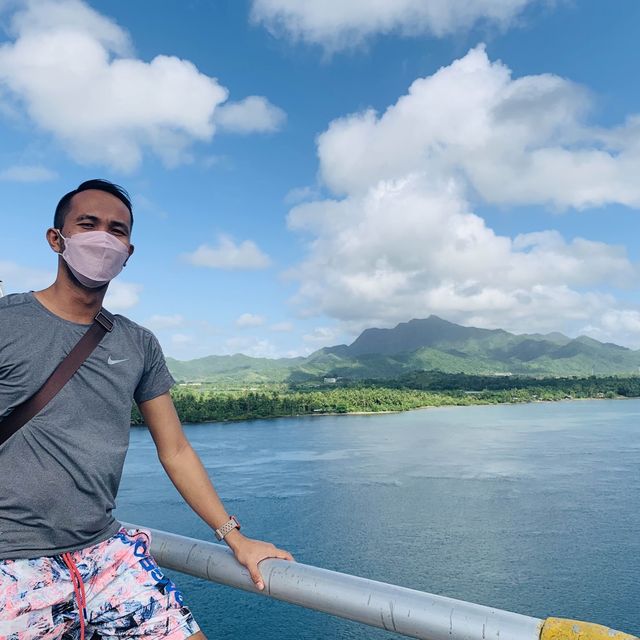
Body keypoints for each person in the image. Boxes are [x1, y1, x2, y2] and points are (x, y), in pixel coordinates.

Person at [0, 179, 293, 640]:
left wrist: (235, 537)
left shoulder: (138, 343)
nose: (103, 238)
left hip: (105, 554)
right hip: (10, 562)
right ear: (56, 239)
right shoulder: (7, 322)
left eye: (116, 230)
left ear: (128, 252)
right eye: (88, 224)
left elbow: (174, 449)